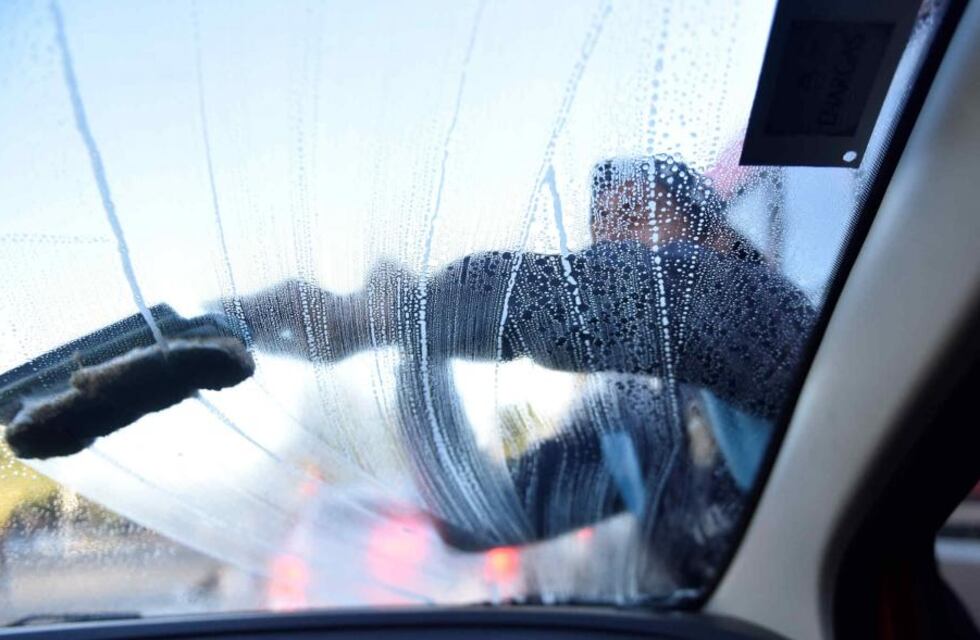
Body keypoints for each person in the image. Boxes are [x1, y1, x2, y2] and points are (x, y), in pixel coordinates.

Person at [234, 155, 815, 588]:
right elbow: (479, 517)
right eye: (601, 237)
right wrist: (418, 356)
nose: (611, 251)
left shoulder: (777, 326)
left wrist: (393, 315)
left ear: (714, 236)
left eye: (634, 222)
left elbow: (650, 296)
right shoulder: (642, 428)